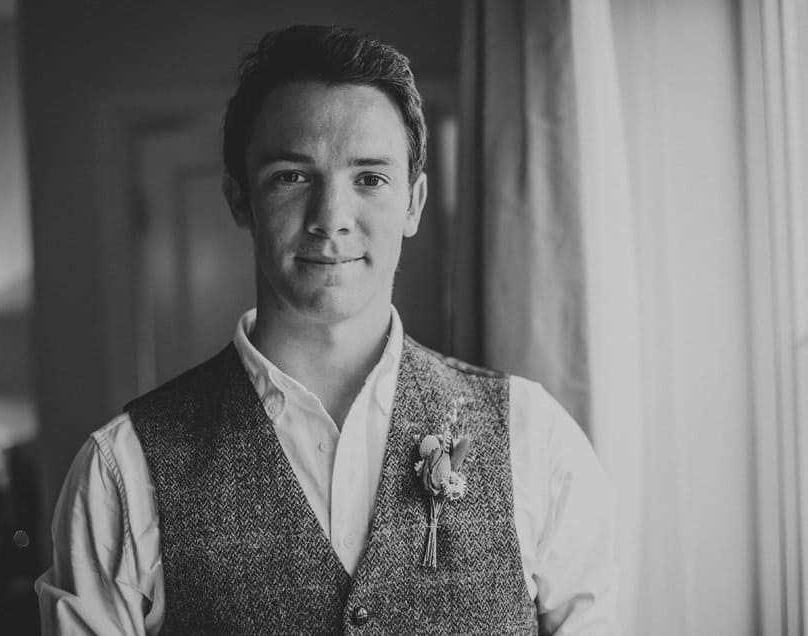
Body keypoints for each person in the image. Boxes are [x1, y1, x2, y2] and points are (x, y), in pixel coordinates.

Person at [36, 25, 619, 635]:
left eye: (370, 178)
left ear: (414, 203)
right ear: (240, 199)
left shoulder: (535, 437)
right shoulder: (119, 471)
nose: (331, 219)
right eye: (292, 176)